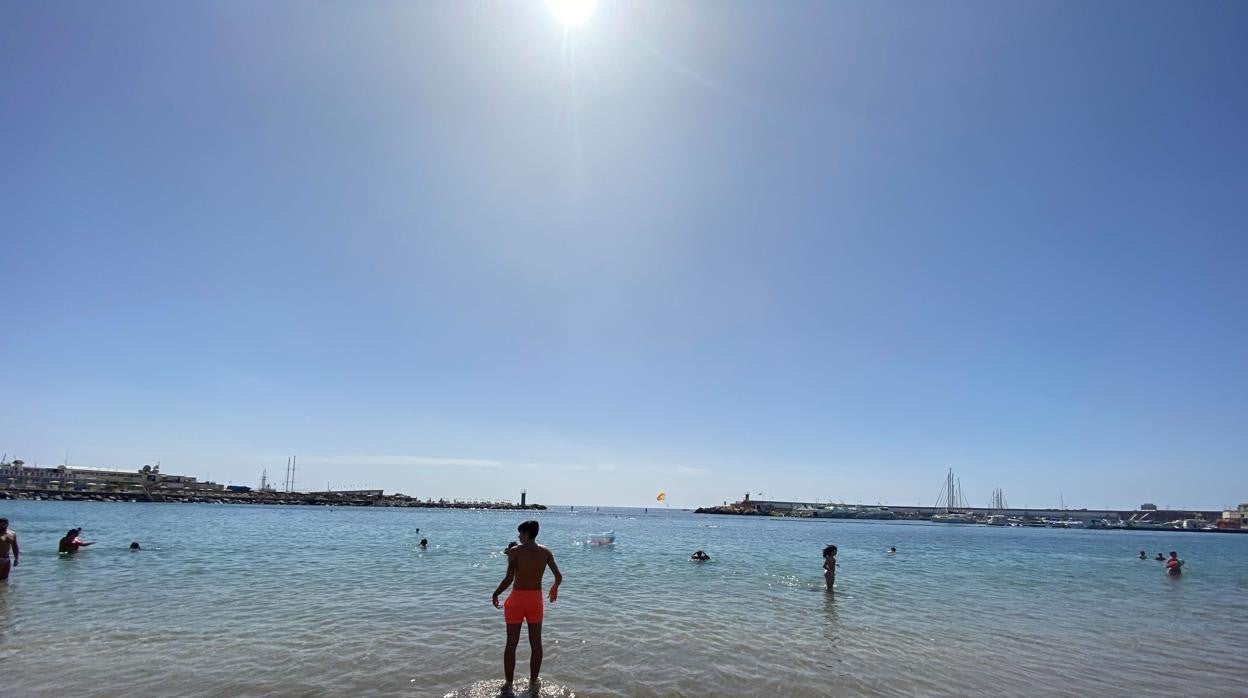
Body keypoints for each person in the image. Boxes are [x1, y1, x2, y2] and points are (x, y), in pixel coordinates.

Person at [492, 520, 563, 693]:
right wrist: (554, 589)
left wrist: (496, 594)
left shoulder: (514, 551)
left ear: (526, 533)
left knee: (511, 643)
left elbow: (509, 579)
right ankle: (533, 682)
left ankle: (509, 684)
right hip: (535, 601)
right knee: (536, 643)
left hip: (516, 600)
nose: (518, 536)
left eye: (520, 533)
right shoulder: (545, 552)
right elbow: (559, 576)